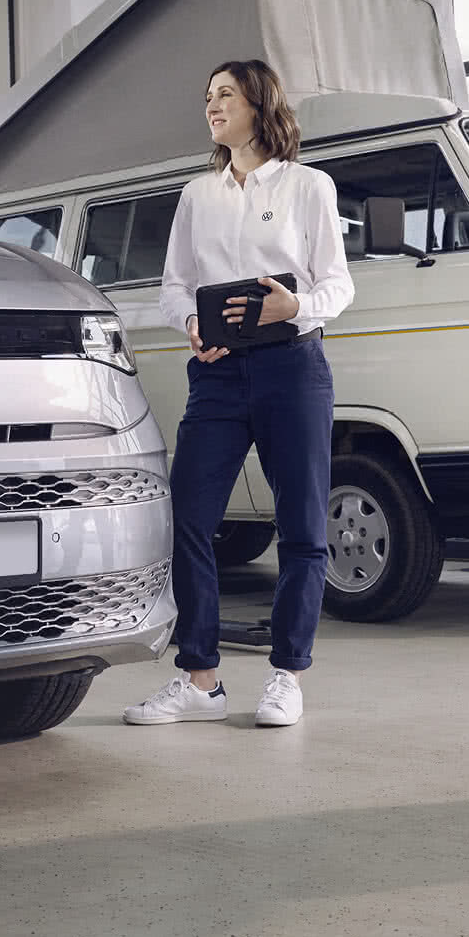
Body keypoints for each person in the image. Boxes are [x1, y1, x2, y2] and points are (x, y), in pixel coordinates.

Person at [122, 59, 353, 730]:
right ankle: (200, 681)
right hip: (218, 375)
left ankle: (287, 676)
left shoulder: (309, 186)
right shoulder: (198, 195)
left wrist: (296, 307)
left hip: (292, 368)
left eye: (225, 94)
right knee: (188, 520)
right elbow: (173, 286)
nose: (212, 105)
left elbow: (338, 283)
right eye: (208, 97)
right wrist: (191, 324)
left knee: (302, 526)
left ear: (258, 103)